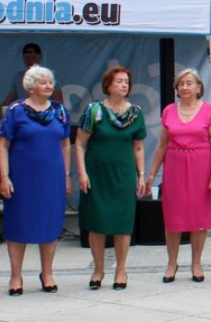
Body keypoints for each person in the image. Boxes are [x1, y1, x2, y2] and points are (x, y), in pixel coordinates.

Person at [0, 66, 71, 296]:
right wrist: (4, 176)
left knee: (49, 224)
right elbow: (2, 146)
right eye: (43, 82)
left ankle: (47, 273)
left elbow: (66, 144)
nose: (49, 85)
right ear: (30, 86)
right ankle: (16, 276)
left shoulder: (60, 111)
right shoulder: (16, 110)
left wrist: (67, 176)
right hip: (22, 177)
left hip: (52, 178)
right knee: (18, 224)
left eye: (50, 82)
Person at [146, 69, 211, 284]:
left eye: (190, 83)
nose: (185, 87)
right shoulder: (169, 110)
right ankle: (172, 262)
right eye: (181, 83)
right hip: (175, 166)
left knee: (199, 217)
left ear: (199, 87)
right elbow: (162, 144)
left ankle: (196, 262)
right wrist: (151, 173)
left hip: (201, 166)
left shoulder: (208, 110)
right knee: (173, 216)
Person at [75, 66, 147, 290]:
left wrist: (141, 175)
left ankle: (121, 270)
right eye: (119, 81)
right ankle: (98, 269)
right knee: (96, 223)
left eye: (126, 81)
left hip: (123, 176)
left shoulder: (135, 113)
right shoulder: (93, 111)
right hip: (96, 175)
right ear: (108, 85)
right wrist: (82, 173)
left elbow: (138, 147)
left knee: (122, 225)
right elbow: (79, 144)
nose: (124, 85)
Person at [0, 43, 63, 125]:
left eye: (33, 57)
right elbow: (7, 102)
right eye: (27, 58)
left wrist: (60, 125)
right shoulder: (19, 77)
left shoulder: (48, 76)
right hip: (24, 120)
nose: (30, 61)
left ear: (40, 57)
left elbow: (59, 104)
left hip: (44, 120)